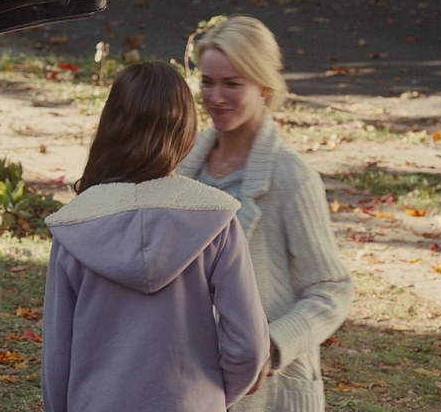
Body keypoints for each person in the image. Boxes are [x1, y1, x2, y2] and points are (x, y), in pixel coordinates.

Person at [41, 61, 270, 412]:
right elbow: (249, 345)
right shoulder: (215, 219)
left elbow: (58, 355)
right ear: (185, 129)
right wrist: (209, 397)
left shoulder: (75, 224)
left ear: (111, 126)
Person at [177, 16, 355, 411]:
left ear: (265, 87)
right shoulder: (180, 165)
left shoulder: (292, 178)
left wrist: (271, 347)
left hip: (268, 395)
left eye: (232, 84)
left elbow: (332, 289)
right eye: (207, 82)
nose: (215, 97)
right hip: (189, 384)